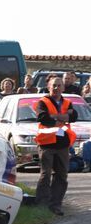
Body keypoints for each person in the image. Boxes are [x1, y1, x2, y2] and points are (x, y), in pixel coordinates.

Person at [34, 77, 78, 216]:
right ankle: (41, 205)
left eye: (59, 85)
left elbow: (74, 116)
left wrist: (55, 116)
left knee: (61, 175)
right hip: (46, 143)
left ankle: (55, 205)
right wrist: (63, 116)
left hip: (62, 144)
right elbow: (43, 118)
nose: (56, 88)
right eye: (54, 85)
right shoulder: (43, 102)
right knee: (46, 174)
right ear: (48, 86)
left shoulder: (67, 102)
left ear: (63, 88)